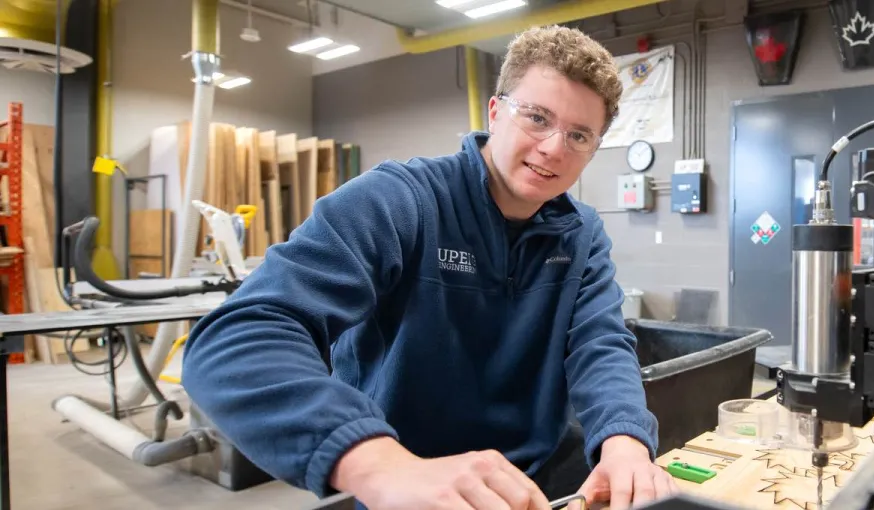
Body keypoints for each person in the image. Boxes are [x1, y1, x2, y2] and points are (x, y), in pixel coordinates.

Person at [182, 25, 678, 510]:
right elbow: (239, 337)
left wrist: (623, 441)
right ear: (495, 111)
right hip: (410, 486)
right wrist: (379, 466)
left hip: (535, 486)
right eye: (538, 118)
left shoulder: (581, 231)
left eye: (579, 135)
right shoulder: (397, 202)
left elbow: (600, 343)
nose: (554, 148)